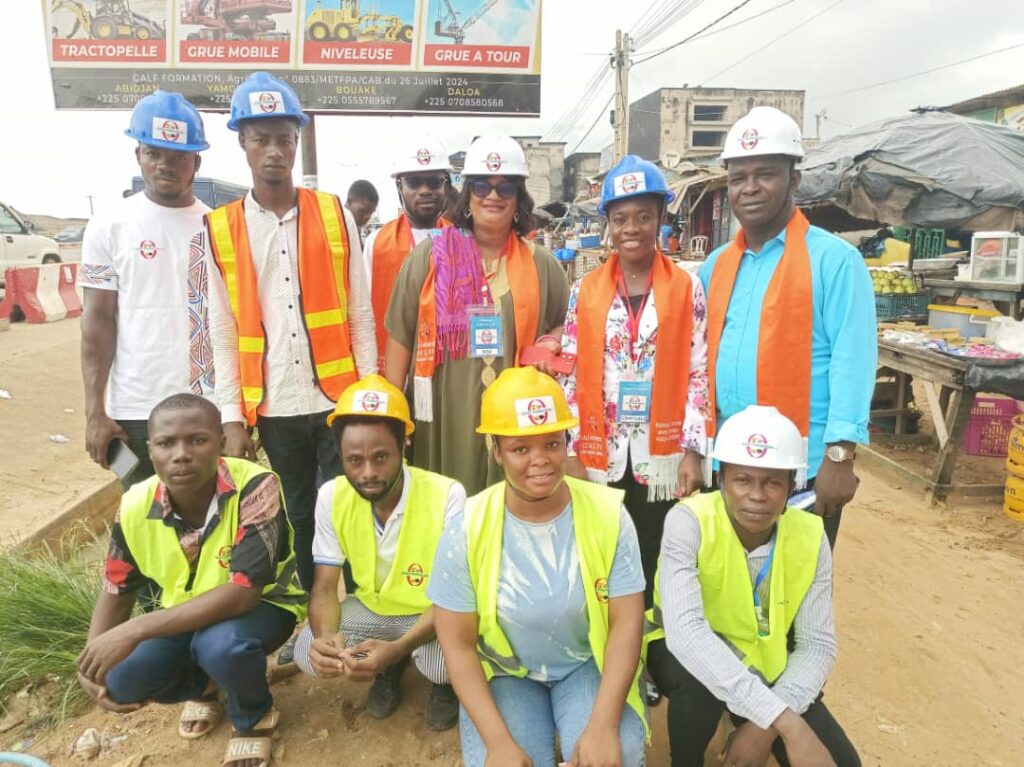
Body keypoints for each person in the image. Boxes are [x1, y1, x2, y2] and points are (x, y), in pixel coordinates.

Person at [205, 71, 377, 600]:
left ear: (297, 141)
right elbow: (223, 330)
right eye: (262, 138)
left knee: (351, 501)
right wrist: (232, 417)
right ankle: (317, 614)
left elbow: (361, 315)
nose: (274, 150)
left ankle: (368, 608)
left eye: (285, 137)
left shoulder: (335, 217)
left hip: (338, 396)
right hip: (275, 403)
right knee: (301, 511)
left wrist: (369, 397)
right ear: (243, 143)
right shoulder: (220, 227)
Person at [430, 367, 648, 767]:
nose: (541, 461)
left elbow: (626, 623)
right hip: (506, 674)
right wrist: (498, 745)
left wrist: (602, 727)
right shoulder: (467, 526)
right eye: (520, 449)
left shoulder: (608, 515)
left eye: (552, 443)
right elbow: (458, 646)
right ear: (496, 452)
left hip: (587, 666)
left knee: (620, 755)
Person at [77, 393, 306, 767]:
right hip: (183, 615)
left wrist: (134, 630)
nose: (180, 454)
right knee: (117, 678)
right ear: (150, 451)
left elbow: (244, 594)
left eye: (197, 440)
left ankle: (252, 717)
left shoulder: (256, 486)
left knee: (221, 646)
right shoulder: (135, 503)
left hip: (263, 607)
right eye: (166, 443)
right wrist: (92, 659)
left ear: (220, 444)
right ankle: (206, 685)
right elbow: (117, 588)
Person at [699, 106, 876, 548]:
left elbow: (852, 361)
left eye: (766, 174)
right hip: (728, 463)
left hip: (803, 466)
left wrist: (840, 454)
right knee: (725, 592)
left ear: (793, 179)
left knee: (794, 596)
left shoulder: (834, 261)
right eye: (738, 178)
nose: (750, 188)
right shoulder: (715, 266)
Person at [646, 405, 860, 767]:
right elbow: (687, 635)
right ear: (721, 479)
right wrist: (788, 724)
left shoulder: (810, 536)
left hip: (765, 667)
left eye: (773, 482)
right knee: (698, 688)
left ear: (792, 485)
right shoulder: (689, 521)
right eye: (742, 480)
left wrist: (764, 725)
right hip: (685, 654)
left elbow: (817, 645)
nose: (757, 495)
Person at [384, 133, 570, 496]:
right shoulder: (429, 258)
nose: (493, 196)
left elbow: (565, 324)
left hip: (517, 423)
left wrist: (553, 341)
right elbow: (400, 339)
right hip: (444, 415)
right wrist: (393, 421)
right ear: (467, 193)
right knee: (446, 508)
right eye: (482, 185)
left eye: (506, 188)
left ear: (520, 198)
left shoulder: (541, 264)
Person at [561, 154, 708, 607]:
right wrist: (570, 449)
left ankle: (646, 648)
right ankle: (607, 647)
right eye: (621, 217)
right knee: (603, 553)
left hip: (659, 453)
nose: (632, 228)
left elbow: (698, 370)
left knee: (654, 553)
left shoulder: (687, 286)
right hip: (600, 448)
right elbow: (570, 373)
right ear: (607, 223)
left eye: (644, 217)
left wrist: (692, 448)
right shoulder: (584, 291)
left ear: (661, 219)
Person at [293, 374, 464, 731]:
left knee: (444, 665)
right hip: (373, 608)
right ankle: (385, 664)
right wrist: (327, 638)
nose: (368, 473)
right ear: (340, 455)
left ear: (405, 445)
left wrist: (399, 647)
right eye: (354, 460)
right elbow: (325, 587)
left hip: (433, 613)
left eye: (381, 457)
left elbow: (454, 598)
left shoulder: (447, 494)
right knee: (308, 650)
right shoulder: (332, 496)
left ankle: (434, 680)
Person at [80, 90, 214, 486]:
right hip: (136, 411)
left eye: (178, 156)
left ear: (196, 162)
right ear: (137, 154)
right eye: (154, 153)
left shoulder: (220, 228)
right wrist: (95, 412)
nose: (165, 165)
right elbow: (97, 323)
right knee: (143, 516)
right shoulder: (109, 225)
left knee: (210, 522)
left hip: (206, 407)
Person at [363, 136, 452, 369]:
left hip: (447, 368)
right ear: (399, 186)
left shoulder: (463, 242)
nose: (424, 191)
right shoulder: (377, 243)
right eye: (414, 183)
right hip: (393, 368)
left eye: (433, 182)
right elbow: (363, 314)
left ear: (446, 186)